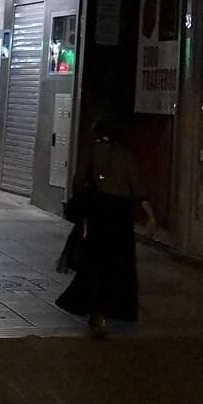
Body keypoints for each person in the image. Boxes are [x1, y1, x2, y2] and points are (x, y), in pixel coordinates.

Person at [56, 114, 155, 336]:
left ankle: (93, 306)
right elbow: (137, 186)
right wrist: (150, 215)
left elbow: (79, 180)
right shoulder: (125, 154)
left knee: (96, 260)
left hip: (98, 211)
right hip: (119, 214)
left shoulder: (90, 151)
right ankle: (116, 306)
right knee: (120, 262)